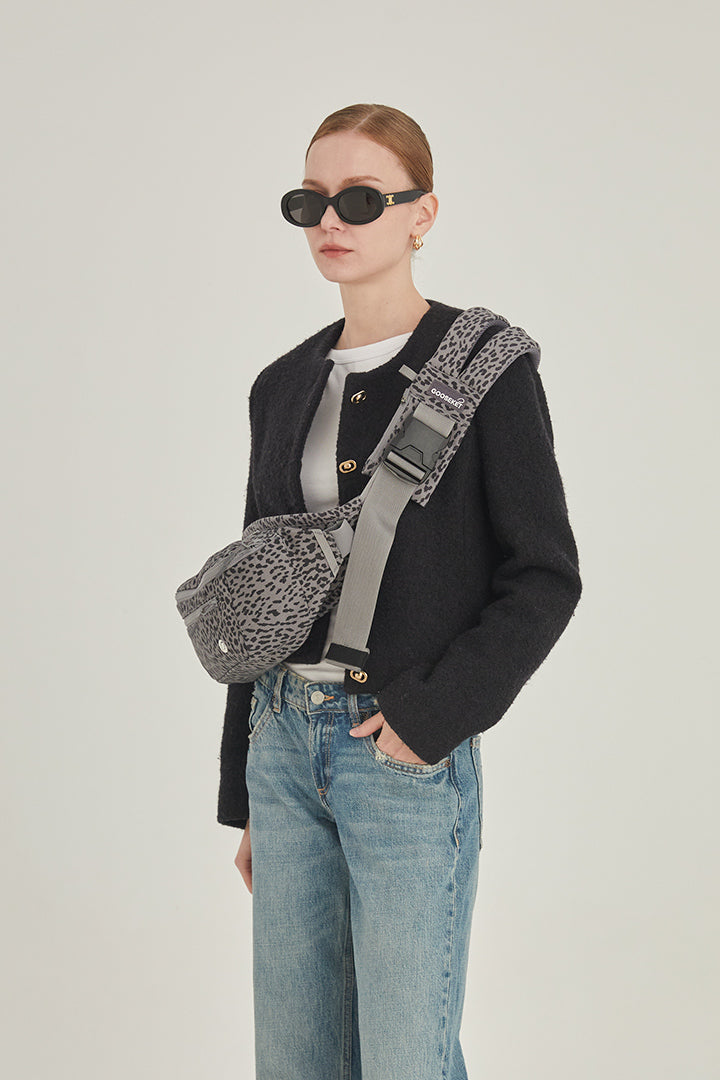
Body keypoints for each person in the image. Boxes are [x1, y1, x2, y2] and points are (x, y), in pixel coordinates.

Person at [218, 103, 582, 1080]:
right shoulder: (280, 386)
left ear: (423, 214)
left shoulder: (486, 366)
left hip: (401, 753)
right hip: (281, 749)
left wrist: (431, 718)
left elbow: (544, 575)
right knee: (294, 1059)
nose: (330, 221)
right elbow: (259, 601)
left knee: (405, 1061)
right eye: (311, 201)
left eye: (361, 199)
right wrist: (245, 793)